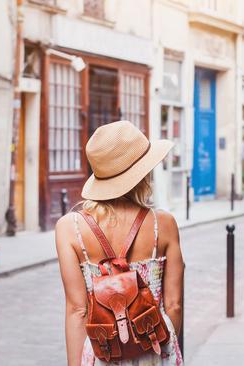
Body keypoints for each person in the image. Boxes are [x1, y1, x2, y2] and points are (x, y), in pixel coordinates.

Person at [55, 121, 184, 366]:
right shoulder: (163, 224)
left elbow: (77, 310)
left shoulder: (69, 228)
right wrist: (159, 349)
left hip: (102, 350)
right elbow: (174, 305)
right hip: (155, 346)